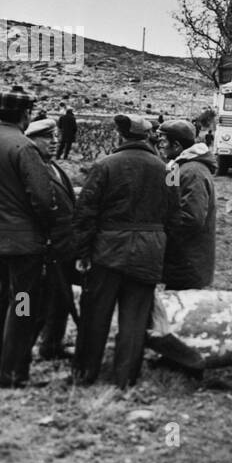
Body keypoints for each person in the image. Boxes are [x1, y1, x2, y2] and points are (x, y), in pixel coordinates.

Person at [72, 114, 172, 388]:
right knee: (135, 318)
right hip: (148, 251)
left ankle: (85, 373)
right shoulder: (166, 169)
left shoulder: (104, 165)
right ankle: (125, 379)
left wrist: (82, 253)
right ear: (147, 137)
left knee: (95, 315)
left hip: (108, 251)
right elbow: (174, 214)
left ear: (120, 136)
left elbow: (85, 212)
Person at [0, 86, 57, 388]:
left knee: (2, 298)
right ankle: (13, 372)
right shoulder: (23, 147)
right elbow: (42, 199)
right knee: (23, 303)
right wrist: (47, 228)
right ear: (26, 114)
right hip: (25, 242)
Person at [24, 118, 79, 360]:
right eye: (48, 137)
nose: (55, 142)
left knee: (59, 298)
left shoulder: (54, 167)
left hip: (63, 247)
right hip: (44, 246)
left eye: (56, 137)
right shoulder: (33, 169)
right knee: (30, 301)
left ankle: (51, 345)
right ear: (32, 141)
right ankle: (22, 346)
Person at [159, 119, 218, 290]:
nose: (160, 145)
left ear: (176, 145)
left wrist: (161, 228)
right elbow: (168, 200)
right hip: (179, 259)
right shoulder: (178, 167)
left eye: (164, 140)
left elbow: (192, 219)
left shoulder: (192, 172)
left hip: (188, 261)